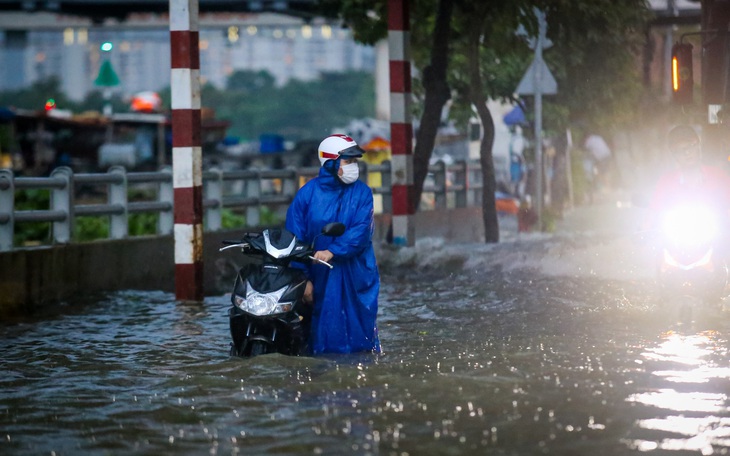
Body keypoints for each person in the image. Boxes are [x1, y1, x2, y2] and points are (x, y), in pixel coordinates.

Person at [285, 134, 381, 355]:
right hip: (319, 275)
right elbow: (295, 238)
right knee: (320, 333)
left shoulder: (362, 193)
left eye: (354, 161)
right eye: (348, 161)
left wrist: (332, 251)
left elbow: (361, 232)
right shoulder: (307, 195)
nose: (353, 166)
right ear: (331, 163)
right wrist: (302, 279)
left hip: (356, 273)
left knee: (361, 333)